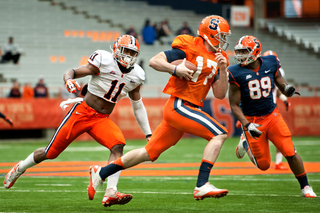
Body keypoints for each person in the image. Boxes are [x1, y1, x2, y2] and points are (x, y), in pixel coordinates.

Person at [87, 15, 231, 201]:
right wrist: (175, 69)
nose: (223, 40)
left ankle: (101, 172)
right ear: (209, 34)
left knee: (148, 153)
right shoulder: (189, 45)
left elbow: (220, 94)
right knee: (219, 134)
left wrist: (222, 69)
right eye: (220, 35)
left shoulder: (221, 57)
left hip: (187, 108)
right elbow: (155, 61)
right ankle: (202, 184)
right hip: (180, 104)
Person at [4, 35, 153, 207]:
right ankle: (20, 168)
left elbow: (138, 105)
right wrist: (69, 80)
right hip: (81, 113)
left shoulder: (137, 74)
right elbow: (72, 72)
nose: (128, 56)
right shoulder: (103, 59)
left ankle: (111, 192)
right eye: (125, 50)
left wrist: (148, 133)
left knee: (118, 145)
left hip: (101, 119)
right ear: (116, 49)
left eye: (132, 52)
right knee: (50, 153)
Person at [228, 35, 317, 198]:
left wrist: (287, 89)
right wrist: (246, 124)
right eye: (238, 51)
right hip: (252, 120)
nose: (240, 55)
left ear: (255, 52)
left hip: (272, 115)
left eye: (244, 51)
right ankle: (245, 141)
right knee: (263, 165)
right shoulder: (235, 72)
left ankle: (306, 186)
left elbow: (280, 82)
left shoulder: (271, 62)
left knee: (289, 151)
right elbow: (233, 104)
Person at [235, 50, 291, 170]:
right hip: (258, 110)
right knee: (263, 157)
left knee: (280, 137)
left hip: (269, 110)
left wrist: (284, 98)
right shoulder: (248, 70)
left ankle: (278, 161)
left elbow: (277, 89)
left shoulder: (274, 70)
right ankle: (247, 141)